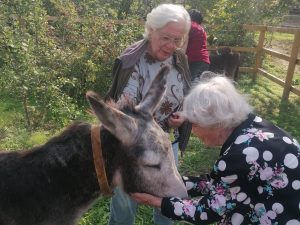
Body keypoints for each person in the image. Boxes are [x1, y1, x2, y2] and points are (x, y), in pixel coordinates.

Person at [131, 72, 300, 225]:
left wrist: (155, 201)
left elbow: (207, 212)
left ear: (217, 123)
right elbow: (221, 185)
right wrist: (172, 180)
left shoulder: (239, 155)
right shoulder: (255, 127)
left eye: (194, 124)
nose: (193, 131)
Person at [105, 3, 192, 225]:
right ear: (151, 29)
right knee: (125, 198)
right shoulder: (131, 60)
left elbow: (184, 93)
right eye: (166, 37)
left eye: (178, 39)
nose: (172, 45)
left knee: (169, 195)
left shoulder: (179, 59)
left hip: (166, 142)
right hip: (134, 146)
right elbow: (124, 105)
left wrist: (183, 115)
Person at [185, 9, 210, 82]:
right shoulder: (201, 29)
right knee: (199, 85)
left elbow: (183, 42)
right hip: (205, 60)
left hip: (194, 60)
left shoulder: (190, 26)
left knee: (191, 85)